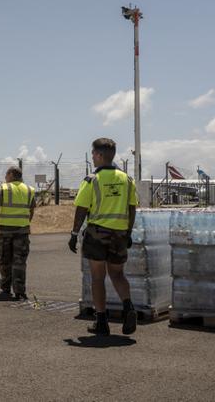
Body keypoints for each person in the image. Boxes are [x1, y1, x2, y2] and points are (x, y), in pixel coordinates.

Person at [68, 138, 138, 336]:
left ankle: (101, 321)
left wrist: (74, 234)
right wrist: (128, 232)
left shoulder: (92, 179)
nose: (92, 157)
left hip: (97, 232)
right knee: (117, 274)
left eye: (93, 154)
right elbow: (132, 208)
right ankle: (128, 307)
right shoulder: (127, 180)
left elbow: (81, 209)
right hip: (119, 234)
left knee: (98, 277)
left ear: (99, 155)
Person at [0, 166, 35, 301]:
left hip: (5, 231)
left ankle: (6, 288)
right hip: (22, 231)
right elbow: (31, 210)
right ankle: (20, 291)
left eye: (6, 174)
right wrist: (26, 223)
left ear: (11, 175)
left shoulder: (4, 188)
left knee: (5, 260)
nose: (5, 177)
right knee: (20, 262)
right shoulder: (30, 190)